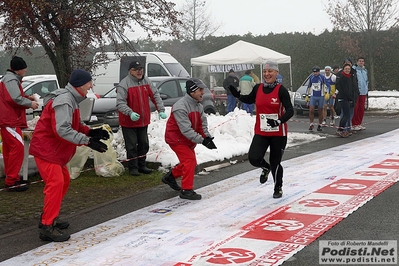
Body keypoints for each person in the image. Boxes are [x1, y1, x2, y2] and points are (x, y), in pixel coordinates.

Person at [29, 69, 110, 242]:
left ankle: (50, 216)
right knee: (56, 183)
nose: (91, 85)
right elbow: (62, 129)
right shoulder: (65, 100)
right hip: (47, 150)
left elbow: (74, 123)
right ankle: (47, 226)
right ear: (80, 85)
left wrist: (91, 132)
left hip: (55, 152)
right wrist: (87, 141)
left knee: (63, 182)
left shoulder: (71, 99)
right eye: (89, 82)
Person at [228, 61, 294, 198]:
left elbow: (290, 110)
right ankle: (265, 167)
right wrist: (237, 95)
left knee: (276, 162)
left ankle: (278, 187)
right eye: (265, 71)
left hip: (278, 133)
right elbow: (248, 99)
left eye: (270, 71)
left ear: (276, 73)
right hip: (261, 131)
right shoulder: (258, 88)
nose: (267, 74)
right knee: (253, 158)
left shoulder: (281, 90)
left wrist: (279, 121)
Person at [162, 78, 217, 200]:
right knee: (189, 161)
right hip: (176, 139)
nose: (203, 92)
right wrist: (202, 140)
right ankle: (186, 190)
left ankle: (170, 177)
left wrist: (207, 137)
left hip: (188, 139)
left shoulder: (198, 105)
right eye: (200, 90)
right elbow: (185, 130)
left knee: (190, 163)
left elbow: (202, 124)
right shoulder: (180, 107)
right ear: (192, 92)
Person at [116, 60, 167, 176]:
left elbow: (155, 95)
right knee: (132, 145)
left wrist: (161, 110)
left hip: (143, 121)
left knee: (144, 143)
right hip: (129, 122)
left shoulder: (146, 81)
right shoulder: (124, 84)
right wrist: (130, 113)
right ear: (130, 71)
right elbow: (120, 103)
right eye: (136, 69)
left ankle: (142, 165)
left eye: (141, 69)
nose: (139, 72)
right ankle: (133, 167)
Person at [0, 56, 39, 192]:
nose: (26, 70)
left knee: (9, 150)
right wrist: (30, 103)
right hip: (10, 120)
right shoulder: (11, 79)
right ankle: (12, 181)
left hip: (8, 120)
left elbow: (12, 95)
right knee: (17, 148)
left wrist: (27, 97)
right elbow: (14, 98)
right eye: (24, 68)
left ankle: (11, 178)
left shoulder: (9, 79)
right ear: (18, 70)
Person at [335, 63, 358, 137]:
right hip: (343, 98)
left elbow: (351, 88)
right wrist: (350, 98)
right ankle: (340, 130)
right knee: (346, 115)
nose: (347, 70)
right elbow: (344, 90)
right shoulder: (342, 77)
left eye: (348, 69)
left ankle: (342, 129)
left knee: (347, 115)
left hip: (347, 98)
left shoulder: (349, 77)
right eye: (346, 69)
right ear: (343, 70)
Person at [306, 66, 329, 132]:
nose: (315, 73)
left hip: (320, 96)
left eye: (316, 72)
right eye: (314, 72)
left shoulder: (322, 77)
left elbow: (328, 86)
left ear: (319, 72)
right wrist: (307, 95)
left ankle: (320, 125)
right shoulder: (311, 77)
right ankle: (311, 124)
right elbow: (308, 86)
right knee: (311, 110)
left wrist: (327, 93)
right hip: (313, 96)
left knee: (320, 111)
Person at [352, 57, 368, 130]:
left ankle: (359, 123)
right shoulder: (354, 70)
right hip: (356, 92)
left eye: (362, 61)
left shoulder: (365, 70)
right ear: (357, 62)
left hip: (363, 92)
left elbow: (366, 81)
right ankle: (354, 124)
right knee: (356, 108)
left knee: (361, 108)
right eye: (360, 61)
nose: (361, 62)